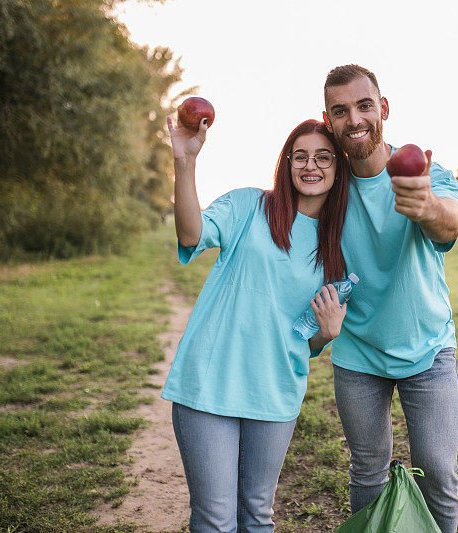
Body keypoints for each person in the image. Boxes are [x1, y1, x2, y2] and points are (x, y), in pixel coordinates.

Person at [161, 115, 351, 532]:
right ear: (286, 164)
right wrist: (185, 162)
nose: (310, 165)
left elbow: (308, 335)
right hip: (208, 384)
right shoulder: (249, 205)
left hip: (275, 390)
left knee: (257, 516)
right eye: (299, 156)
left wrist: (328, 331)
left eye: (323, 157)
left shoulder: (338, 244)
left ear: (338, 167)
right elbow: (192, 234)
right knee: (215, 520)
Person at [321, 64, 458, 533]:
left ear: (383, 108)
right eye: (340, 111)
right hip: (359, 353)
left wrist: (426, 207)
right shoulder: (328, 189)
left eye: (364, 105)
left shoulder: (421, 171)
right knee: (367, 471)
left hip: (428, 349)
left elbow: (451, 224)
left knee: (439, 473)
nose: (354, 119)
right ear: (329, 120)